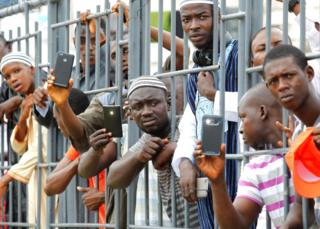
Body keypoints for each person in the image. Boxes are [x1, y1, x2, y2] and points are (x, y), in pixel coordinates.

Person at [194, 83, 315, 228]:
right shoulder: (256, 167)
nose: (240, 129)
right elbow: (236, 225)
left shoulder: (312, 140)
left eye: (243, 118)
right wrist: (217, 181)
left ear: (262, 112)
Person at [171, 0, 239, 227]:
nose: (193, 26)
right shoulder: (195, 71)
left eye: (202, 17)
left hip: (242, 171)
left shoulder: (240, 55)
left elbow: (260, 108)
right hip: (209, 176)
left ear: (219, 16)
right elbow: (190, 124)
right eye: (187, 20)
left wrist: (213, 95)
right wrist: (184, 163)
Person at [104, 76, 199, 227]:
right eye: (138, 107)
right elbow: (114, 179)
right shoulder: (147, 138)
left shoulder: (187, 128)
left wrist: (178, 148)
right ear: (131, 113)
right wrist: (139, 157)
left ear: (168, 103)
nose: (146, 112)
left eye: (153, 103)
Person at [262, 44, 320, 227]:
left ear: (309, 74)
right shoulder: (298, 135)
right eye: (273, 81)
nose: (282, 86)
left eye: (288, 76)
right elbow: (305, 206)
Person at [0, 52, 57, 228]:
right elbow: (18, 146)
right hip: (34, 177)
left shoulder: (48, 93)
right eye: (7, 76)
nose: (12, 79)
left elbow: (45, 148)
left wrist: (7, 177)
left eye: (17, 71)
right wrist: (24, 114)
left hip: (55, 173)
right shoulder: (26, 101)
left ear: (32, 70)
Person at [44, 88, 113, 227]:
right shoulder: (78, 148)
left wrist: (104, 196)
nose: (58, 126)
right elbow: (49, 187)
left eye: (58, 120)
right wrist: (82, 159)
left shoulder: (109, 138)